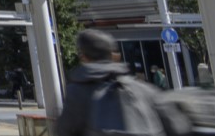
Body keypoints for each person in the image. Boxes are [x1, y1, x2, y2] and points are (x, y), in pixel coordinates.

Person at [54, 29, 188, 136]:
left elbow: (64, 130)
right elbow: (178, 126)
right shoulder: (145, 89)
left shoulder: (77, 92)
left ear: (83, 57)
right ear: (115, 56)